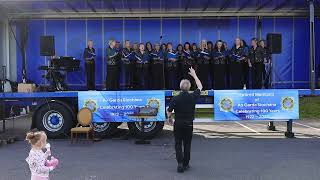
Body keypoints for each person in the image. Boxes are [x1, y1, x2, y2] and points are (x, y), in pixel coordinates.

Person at [167, 67, 203, 173]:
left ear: (180, 87)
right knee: (187, 144)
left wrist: (169, 118)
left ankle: (180, 163)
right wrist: (194, 75)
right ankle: (186, 163)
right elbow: (200, 86)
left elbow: (169, 110)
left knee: (178, 143)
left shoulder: (175, 98)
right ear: (189, 87)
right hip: (188, 124)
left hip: (178, 123)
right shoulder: (193, 96)